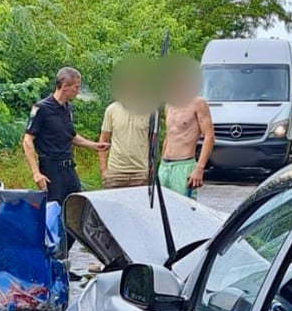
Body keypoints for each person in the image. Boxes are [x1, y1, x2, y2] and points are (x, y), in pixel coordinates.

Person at [22, 67, 107, 204]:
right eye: (76, 87)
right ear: (65, 86)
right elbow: (27, 140)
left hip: (68, 168)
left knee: (76, 206)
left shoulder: (67, 108)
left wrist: (95, 145)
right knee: (54, 209)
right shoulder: (41, 108)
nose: (78, 92)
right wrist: (36, 173)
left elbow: (71, 136)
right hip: (51, 169)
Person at [158, 56, 215, 199]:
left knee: (183, 210)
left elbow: (209, 136)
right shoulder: (169, 104)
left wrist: (199, 168)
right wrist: (160, 164)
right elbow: (169, 136)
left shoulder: (198, 103)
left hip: (183, 165)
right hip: (165, 166)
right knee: (162, 209)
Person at [98, 58, 154, 188]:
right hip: (115, 172)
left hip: (140, 172)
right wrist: (103, 169)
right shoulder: (111, 109)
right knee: (111, 208)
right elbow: (103, 139)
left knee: (139, 208)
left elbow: (153, 143)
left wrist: (151, 168)